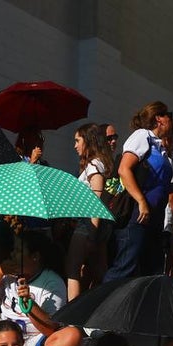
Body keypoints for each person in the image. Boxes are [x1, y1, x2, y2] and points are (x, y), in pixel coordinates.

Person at [103, 101, 173, 281]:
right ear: (158, 118)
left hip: (155, 220)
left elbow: (161, 184)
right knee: (124, 268)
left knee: (151, 274)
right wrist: (141, 201)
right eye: (169, 115)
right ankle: (102, 307)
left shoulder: (161, 148)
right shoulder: (143, 136)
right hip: (138, 216)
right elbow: (124, 169)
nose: (172, 121)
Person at [66, 123, 113, 299]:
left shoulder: (94, 165)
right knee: (99, 271)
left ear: (88, 140)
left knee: (73, 269)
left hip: (88, 225)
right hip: (92, 226)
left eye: (78, 140)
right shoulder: (97, 163)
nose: (75, 145)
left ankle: (70, 317)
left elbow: (96, 199)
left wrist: (92, 234)